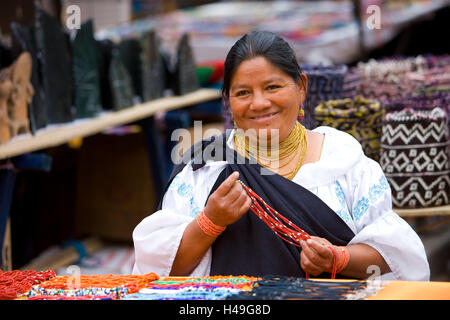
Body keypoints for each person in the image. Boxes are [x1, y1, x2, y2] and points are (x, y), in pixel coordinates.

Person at [132, 31, 429, 281]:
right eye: (243, 93)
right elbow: (162, 274)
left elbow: (394, 257)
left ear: (301, 88)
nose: (259, 103)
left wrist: (338, 258)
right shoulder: (206, 169)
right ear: (228, 101)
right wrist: (210, 222)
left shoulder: (343, 161)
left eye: (273, 87)